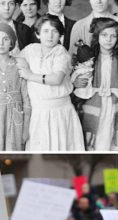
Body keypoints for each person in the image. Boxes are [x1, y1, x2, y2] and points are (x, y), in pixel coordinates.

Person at [17, 14, 85, 151]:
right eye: (46, 31)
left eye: (55, 31)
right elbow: (16, 62)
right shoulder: (30, 50)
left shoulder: (61, 52)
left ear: (60, 35)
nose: (50, 36)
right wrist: (21, 65)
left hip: (60, 112)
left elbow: (56, 79)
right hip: (37, 111)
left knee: (61, 149)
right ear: (38, 34)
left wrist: (30, 75)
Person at [80, 17, 118, 151]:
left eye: (113, 36)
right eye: (104, 35)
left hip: (115, 106)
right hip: (95, 105)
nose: (108, 39)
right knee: (96, 142)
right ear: (97, 37)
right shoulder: (90, 60)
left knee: (114, 143)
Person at [0, 23, 31, 150]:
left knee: (13, 154)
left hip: (15, 119)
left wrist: (25, 128)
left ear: (11, 43)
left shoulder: (19, 64)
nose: (1, 43)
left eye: (6, 39)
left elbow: (26, 99)